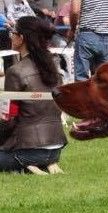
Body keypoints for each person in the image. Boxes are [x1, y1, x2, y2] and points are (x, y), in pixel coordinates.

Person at [0, 15, 66, 174]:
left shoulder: (15, 72)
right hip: (55, 148)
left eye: (12, 32)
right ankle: (45, 163)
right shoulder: (54, 70)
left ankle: (25, 164)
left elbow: (8, 118)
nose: (10, 35)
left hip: (28, 149)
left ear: (21, 38)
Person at [69, 0, 108, 81]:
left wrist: (72, 30)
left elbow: (75, 11)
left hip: (87, 35)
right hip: (106, 37)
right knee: (104, 80)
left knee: (81, 78)